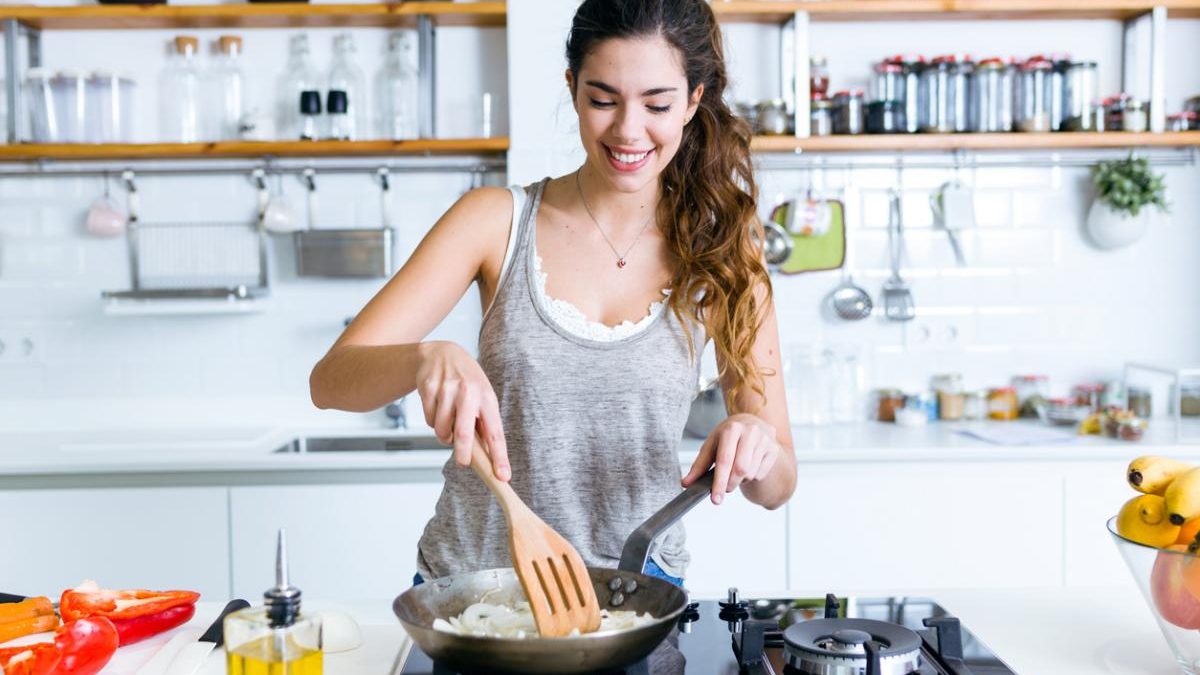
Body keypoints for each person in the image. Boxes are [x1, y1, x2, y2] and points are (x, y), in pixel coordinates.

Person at [309, 0, 796, 587]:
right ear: (572, 88)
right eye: (603, 99)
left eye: (658, 104)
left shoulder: (722, 251)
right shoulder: (493, 220)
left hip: (637, 590)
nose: (627, 130)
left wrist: (757, 443)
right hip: (475, 586)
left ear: (693, 101)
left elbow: (778, 486)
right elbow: (329, 381)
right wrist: (422, 357)